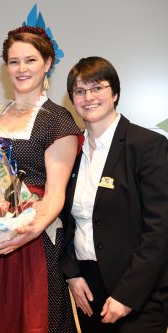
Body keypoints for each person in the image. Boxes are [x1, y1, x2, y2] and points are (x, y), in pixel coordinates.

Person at [0, 26, 81, 332]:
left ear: (48, 63)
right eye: (14, 61)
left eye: (30, 60)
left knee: (30, 319)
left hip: (30, 241)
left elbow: (55, 194)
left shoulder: (58, 120)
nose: (21, 69)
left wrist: (27, 231)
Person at [60, 56, 168, 333]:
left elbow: (160, 229)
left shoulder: (147, 146)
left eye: (98, 88)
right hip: (88, 288)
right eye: (80, 91)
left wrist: (127, 295)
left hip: (138, 292)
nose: (89, 97)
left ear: (115, 93)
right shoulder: (72, 150)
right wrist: (72, 273)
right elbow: (66, 221)